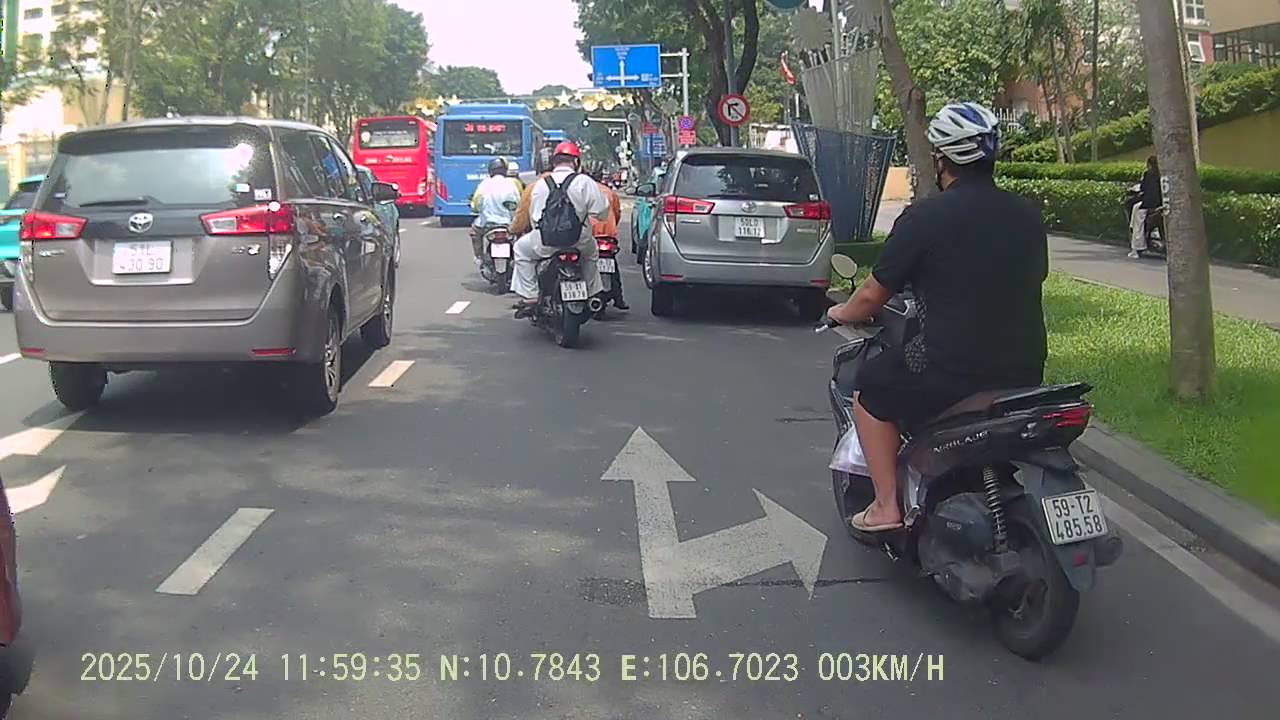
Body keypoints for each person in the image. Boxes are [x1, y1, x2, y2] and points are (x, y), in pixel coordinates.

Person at [825, 102, 1049, 533]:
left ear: (941, 159)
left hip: (949, 369)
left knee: (870, 390)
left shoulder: (925, 217)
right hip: (1025, 370)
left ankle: (886, 506)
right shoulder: (1028, 214)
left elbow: (871, 295)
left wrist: (839, 310)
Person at [510, 141, 610, 316]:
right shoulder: (584, 182)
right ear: (576, 162)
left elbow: (534, 218)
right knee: (592, 254)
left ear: (553, 162)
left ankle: (531, 296)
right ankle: (592, 293)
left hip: (545, 243)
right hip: (579, 242)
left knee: (520, 249)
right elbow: (601, 212)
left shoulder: (540, 184)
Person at [469, 158, 523, 266]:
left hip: (488, 224)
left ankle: (479, 257)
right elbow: (519, 203)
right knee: (521, 233)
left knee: (474, 233)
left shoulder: (484, 184)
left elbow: (476, 204)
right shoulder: (513, 184)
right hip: (509, 224)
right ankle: (519, 256)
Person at [589, 167, 629, 310]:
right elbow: (617, 214)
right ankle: (619, 299)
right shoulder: (610, 193)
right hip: (608, 236)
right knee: (614, 268)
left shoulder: (584, 192)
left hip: (590, 236)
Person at [1129, 155, 1163, 259]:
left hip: (1148, 204)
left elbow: (1143, 187)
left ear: (1149, 165)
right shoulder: (1161, 174)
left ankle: (1137, 246)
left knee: (1139, 222)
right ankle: (1132, 226)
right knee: (1136, 207)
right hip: (1159, 203)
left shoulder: (1148, 174)